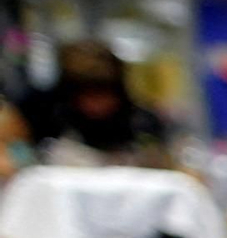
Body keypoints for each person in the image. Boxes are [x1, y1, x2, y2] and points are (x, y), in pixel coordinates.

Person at [18, 40, 170, 165]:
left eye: (105, 93)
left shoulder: (142, 124)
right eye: (88, 94)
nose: (97, 104)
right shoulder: (42, 115)